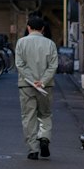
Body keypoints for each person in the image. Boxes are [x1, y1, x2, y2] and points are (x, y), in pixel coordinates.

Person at [15, 13, 58, 159]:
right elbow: (53, 66)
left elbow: (19, 64)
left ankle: (33, 149)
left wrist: (32, 80)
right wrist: (42, 81)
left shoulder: (21, 42)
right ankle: (44, 138)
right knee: (45, 114)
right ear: (43, 29)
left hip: (26, 85)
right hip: (46, 86)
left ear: (28, 27)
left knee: (29, 116)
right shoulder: (50, 44)